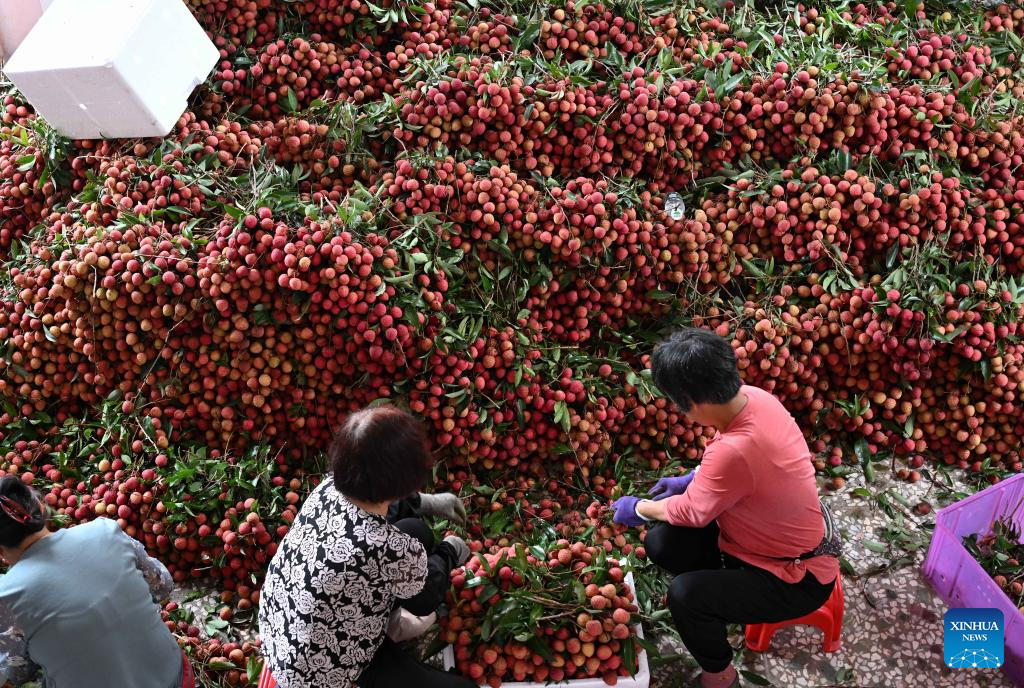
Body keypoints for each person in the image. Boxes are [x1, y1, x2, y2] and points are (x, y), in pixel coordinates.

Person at [613, 328, 841, 688]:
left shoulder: (734, 450)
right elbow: (739, 470)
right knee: (663, 543)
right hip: (761, 539)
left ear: (690, 403)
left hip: (795, 576)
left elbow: (694, 512)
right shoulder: (756, 398)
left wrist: (640, 508)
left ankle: (721, 675)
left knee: (685, 597)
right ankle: (717, 600)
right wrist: (692, 478)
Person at [258, 404, 476, 688]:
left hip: (284, 625)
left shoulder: (328, 488)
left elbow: (381, 504)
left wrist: (425, 503)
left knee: (416, 530)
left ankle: (385, 624)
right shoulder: (387, 547)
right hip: (320, 667)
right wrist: (450, 552)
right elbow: (424, 599)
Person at [0, 475, 193, 688]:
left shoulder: (6, 595)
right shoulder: (105, 530)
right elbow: (163, 586)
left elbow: (16, 671)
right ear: (40, 505)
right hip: (178, 678)